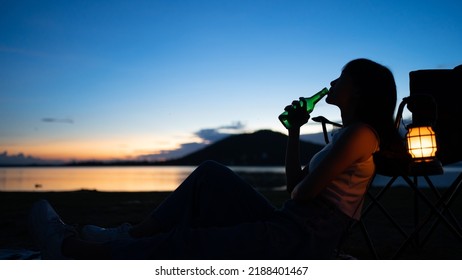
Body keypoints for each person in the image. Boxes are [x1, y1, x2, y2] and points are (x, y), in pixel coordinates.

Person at [29, 58, 398, 260]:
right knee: (210, 173)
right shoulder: (347, 136)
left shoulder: (360, 134)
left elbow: (302, 195)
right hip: (293, 223)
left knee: (189, 243)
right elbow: (293, 190)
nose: (332, 82)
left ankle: (71, 251)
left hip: (304, 237)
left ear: (359, 90)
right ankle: (128, 235)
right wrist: (294, 131)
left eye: (341, 77)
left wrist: (304, 183)